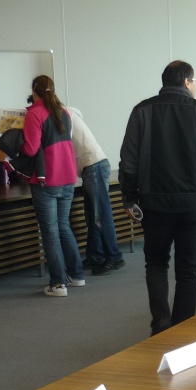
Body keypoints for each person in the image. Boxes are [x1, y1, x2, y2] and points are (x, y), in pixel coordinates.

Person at [119, 60, 196, 336]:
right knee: (188, 270)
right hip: (194, 202)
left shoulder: (142, 111)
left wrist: (129, 198)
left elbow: (128, 161)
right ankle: (181, 329)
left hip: (153, 203)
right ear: (186, 82)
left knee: (156, 263)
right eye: (195, 82)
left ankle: (160, 324)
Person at [21, 75, 85, 298]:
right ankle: (77, 275)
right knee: (63, 227)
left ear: (34, 91)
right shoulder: (64, 112)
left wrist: (16, 142)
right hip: (68, 177)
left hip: (46, 179)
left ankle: (58, 284)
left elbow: (30, 149)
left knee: (50, 233)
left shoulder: (34, 114)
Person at [67, 106, 125, 276]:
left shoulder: (62, 114)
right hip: (93, 166)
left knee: (100, 216)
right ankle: (95, 256)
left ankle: (114, 256)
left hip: (94, 166)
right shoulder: (68, 113)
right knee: (93, 216)